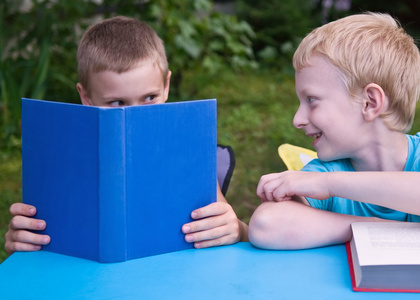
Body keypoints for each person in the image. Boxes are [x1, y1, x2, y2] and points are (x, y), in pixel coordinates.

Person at [5, 16, 248, 255]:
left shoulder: (189, 149)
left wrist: (236, 229)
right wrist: (25, 238)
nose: (135, 115)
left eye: (150, 98)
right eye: (117, 102)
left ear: (166, 86)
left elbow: (233, 232)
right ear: (86, 97)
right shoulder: (60, 156)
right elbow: (39, 235)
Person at [249, 12, 420, 250]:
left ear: (370, 103)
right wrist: (371, 226)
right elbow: (266, 225)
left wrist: (328, 185)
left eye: (312, 100)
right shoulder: (327, 169)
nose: (297, 119)